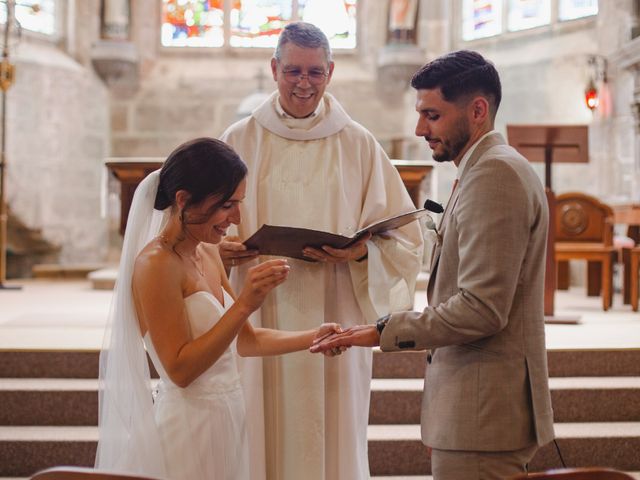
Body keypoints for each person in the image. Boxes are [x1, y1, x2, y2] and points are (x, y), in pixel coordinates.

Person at [311, 50, 555, 479]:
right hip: (473, 409)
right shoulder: (483, 169)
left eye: (432, 115)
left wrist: (380, 331)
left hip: (484, 414)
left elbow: (482, 307)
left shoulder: (495, 175)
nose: (420, 128)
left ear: (477, 110)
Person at [219, 22, 424, 480]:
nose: (303, 83)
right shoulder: (239, 140)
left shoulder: (358, 144)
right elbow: (201, 227)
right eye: (293, 70)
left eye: (314, 72)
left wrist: (362, 254)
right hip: (258, 308)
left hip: (338, 305)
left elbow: (406, 237)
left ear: (330, 72)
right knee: (258, 416)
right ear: (274, 68)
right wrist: (222, 249)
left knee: (329, 422)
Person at [95, 137, 341, 480]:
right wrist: (244, 303)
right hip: (187, 426)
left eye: (238, 203)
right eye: (227, 204)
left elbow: (247, 341)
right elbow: (180, 371)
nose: (236, 217)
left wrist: (316, 336)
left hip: (227, 416)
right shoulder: (156, 264)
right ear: (183, 200)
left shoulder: (207, 251)